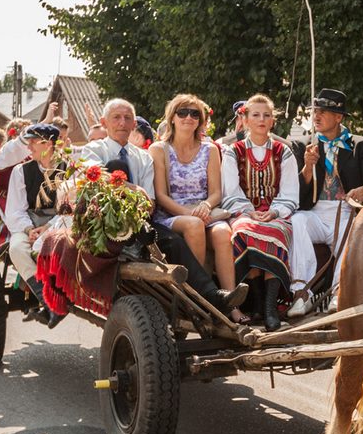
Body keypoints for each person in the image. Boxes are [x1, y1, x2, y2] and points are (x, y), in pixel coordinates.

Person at [79, 97, 247, 316]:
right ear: (104, 122)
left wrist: (202, 207)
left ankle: (212, 298)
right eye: (116, 117)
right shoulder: (94, 149)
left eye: (127, 118)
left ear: (134, 124)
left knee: (177, 241)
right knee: (115, 166)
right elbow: (95, 175)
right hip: (107, 222)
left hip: (143, 221)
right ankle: (203, 300)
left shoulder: (142, 156)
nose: (122, 123)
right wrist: (131, 187)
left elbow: (150, 200)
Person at [288, 88, 363, 315]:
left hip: (345, 210)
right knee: (297, 221)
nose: (316, 116)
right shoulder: (303, 145)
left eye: (323, 112)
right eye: (315, 111)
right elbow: (296, 193)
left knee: (354, 229)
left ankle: (338, 293)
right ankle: (301, 292)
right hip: (315, 212)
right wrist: (307, 167)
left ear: (338, 117)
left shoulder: (360, 144)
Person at [151, 94, 238, 320]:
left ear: (200, 120)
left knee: (223, 232)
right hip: (172, 214)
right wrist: (191, 214)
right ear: (172, 118)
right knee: (193, 225)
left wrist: (205, 206)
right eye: (182, 112)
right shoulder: (159, 149)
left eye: (194, 114)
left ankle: (231, 303)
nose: (188, 117)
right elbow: (160, 196)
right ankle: (197, 298)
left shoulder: (210, 150)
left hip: (205, 211)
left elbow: (216, 192)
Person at [220, 94, 299, 331]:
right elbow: (230, 190)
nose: (261, 119)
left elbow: (290, 192)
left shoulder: (283, 151)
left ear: (273, 121)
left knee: (274, 232)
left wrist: (274, 212)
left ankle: (270, 307)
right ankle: (257, 300)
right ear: (244, 120)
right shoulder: (233, 152)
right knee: (243, 232)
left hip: (276, 213)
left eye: (267, 115)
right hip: (244, 212)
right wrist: (248, 211)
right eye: (255, 115)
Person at [5, 123, 69, 327]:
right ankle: (47, 300)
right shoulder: (21, 171)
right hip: (30, 223)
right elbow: (14, 210)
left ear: (49, 144)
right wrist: (29, 230)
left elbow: (70, 208)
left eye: (34, 141)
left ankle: (63, 294)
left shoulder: (69, 169)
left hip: (61, 222)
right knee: (17, 248)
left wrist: (48, 227)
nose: (29, 146)